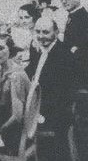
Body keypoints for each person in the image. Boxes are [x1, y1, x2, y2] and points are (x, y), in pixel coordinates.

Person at [24, 17, 76, 161]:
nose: (41, 36)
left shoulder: (63, 56)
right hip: (44, 100)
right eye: (38, 32)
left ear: (57, 32)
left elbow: (61, 96)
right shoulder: (42, 48)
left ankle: (17, 150)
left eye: (46, 32)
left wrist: (32, 109)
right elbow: (32, 70)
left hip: (54, 112)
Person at [57, 0, 88, 89]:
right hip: (75, 60)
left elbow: (84, 46)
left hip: (79, 66)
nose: (64, 1)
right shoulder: (75, 15)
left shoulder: (83, 17)